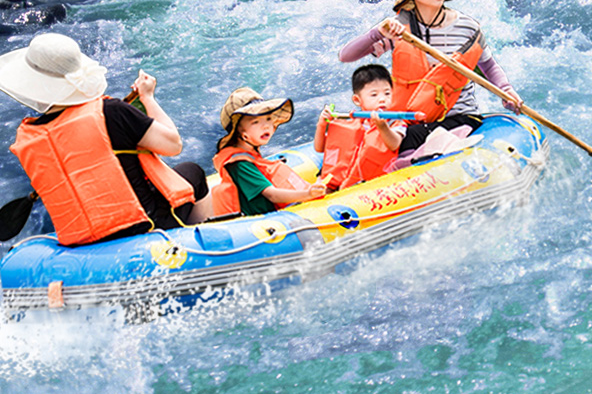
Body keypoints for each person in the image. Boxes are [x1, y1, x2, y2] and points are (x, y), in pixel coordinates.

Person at [0, 32, 211, 245]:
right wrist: (148, 98)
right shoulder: (112, 112)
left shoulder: (29, 139)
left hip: (79, 241)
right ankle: (202, 245)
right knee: (193, 171)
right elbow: (173, 144)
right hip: (147, 225)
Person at [338, 0, 523, 157]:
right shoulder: (399, 29)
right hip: (412, 117)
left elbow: (488, 66)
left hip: (459, 116)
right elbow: (345, 56)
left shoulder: (468, 28)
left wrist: (506, 91)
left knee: (404, 140)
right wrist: (376, 33)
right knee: (379, 141)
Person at [212, 87, 327, 217]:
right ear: (242, 133)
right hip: (257, 224)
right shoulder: (239, 164)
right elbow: (272, 195)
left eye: (268, 119)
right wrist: (308, 194)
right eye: (255, 122)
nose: (266, 126)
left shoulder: (249, 155)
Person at [313, 63, 407, 191]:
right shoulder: (351, 124)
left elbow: (394, 143)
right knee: (320, 189)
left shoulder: (395, 122)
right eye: (374, 95)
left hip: (368, 186)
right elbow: (320, 148)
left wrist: (382, 127)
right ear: (357, 100)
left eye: (387, 93)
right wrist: (322, 124)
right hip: (339, 182)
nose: (382, 99)